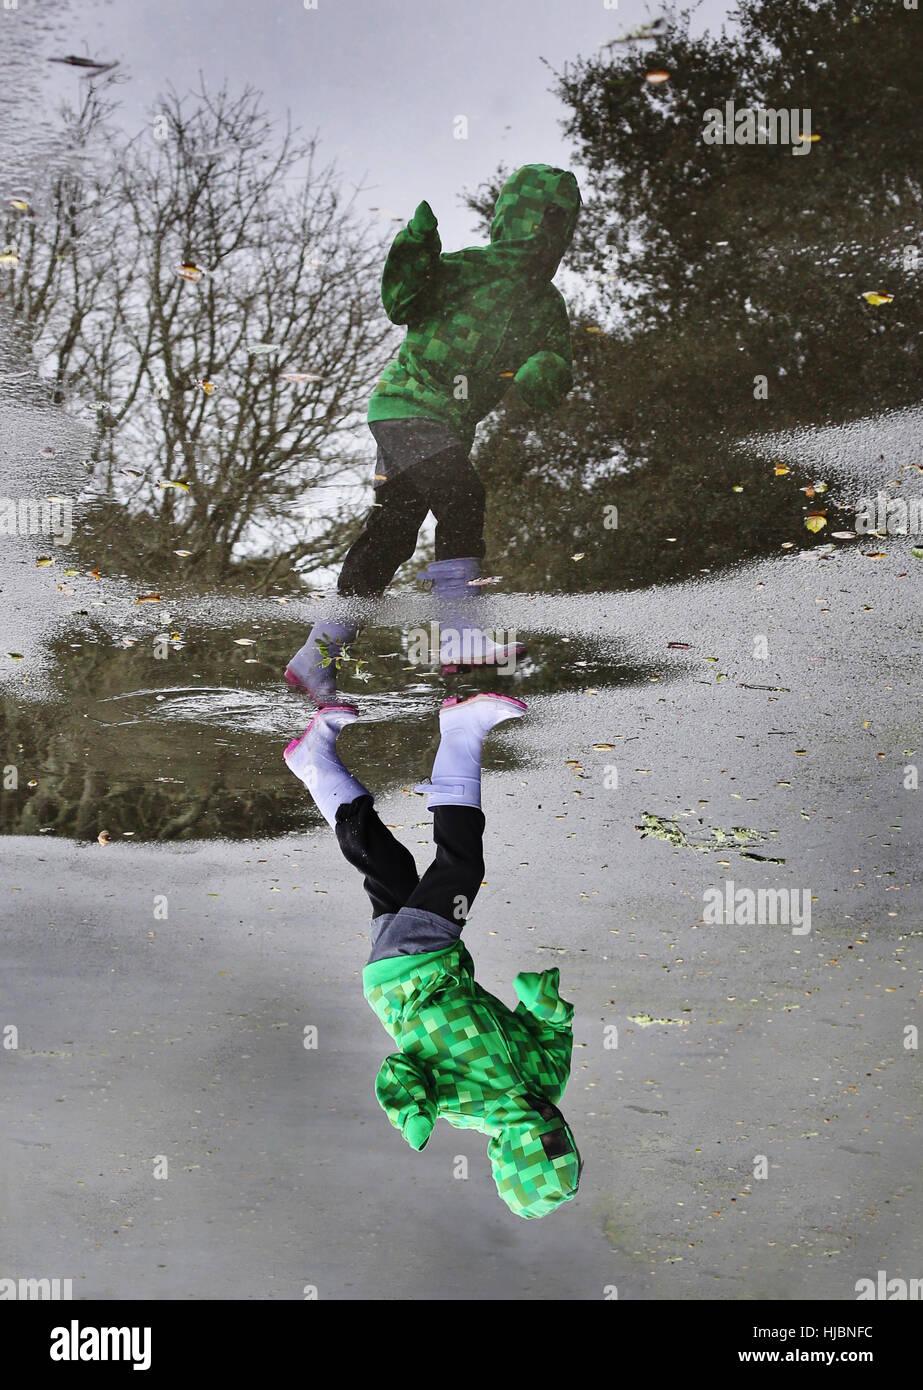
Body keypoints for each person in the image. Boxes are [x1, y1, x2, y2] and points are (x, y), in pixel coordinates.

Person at [285, 163, 583, 704]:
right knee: (463, 494)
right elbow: (402, 303)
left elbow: (553, 370)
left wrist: (545, 368)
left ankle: (316, 659)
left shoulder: (546, 306)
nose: (543, 234)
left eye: (557, 223)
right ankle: (461, 633)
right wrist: (413, 250)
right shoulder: (466, 270)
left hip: (448, 428)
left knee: (391, 538)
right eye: (538, 219)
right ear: (513, 218)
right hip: (405, 405)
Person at [283, 691, 583, 1219]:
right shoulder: (548, 1079)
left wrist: (413, 1112)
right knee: (390, 867)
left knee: (460, 869)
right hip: (421, 968)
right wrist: (546, 1005)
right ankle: (313, 762)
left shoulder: (462, 1105)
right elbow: (552, 1034)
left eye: (543, 1150)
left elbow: (398, 1072)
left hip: (413, 975)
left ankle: (462, 729)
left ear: (510, 1156)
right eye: (564, 1145)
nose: (551, 1134)